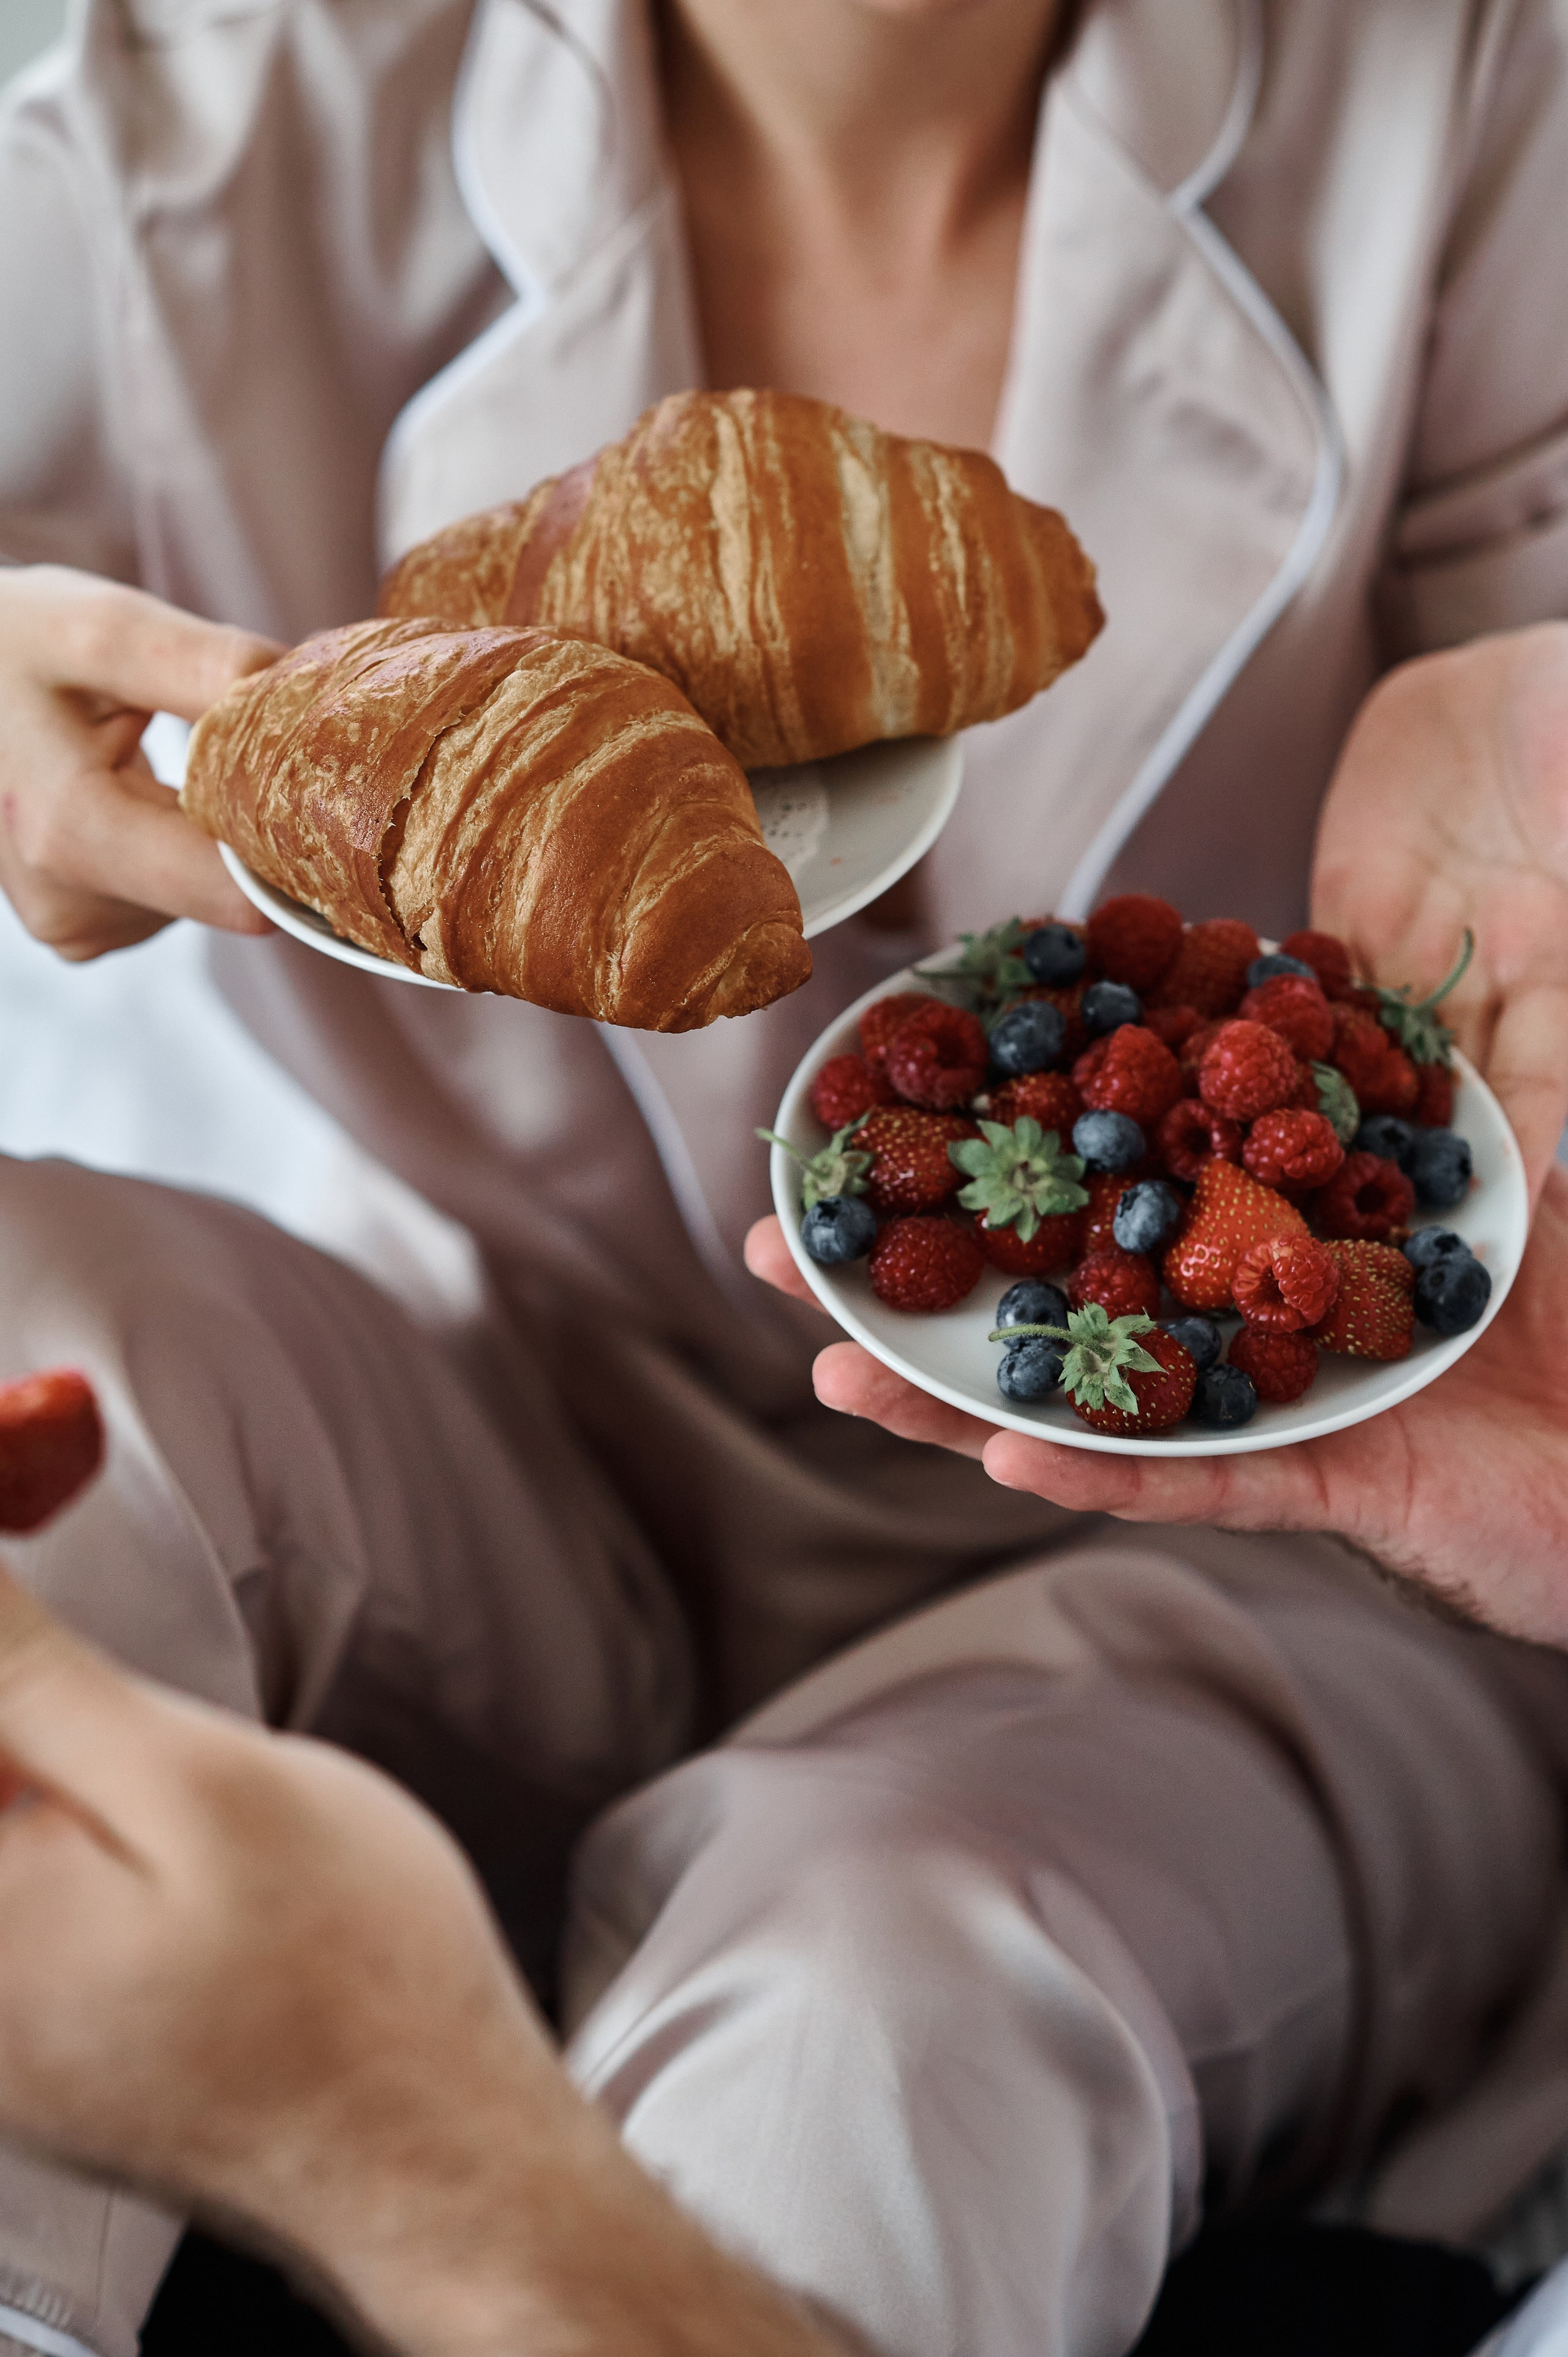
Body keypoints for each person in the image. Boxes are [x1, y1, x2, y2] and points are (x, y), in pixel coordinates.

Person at [1, 0, 1568, 2348]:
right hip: (532, 1440)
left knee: (873, 1981)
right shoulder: (174, 129)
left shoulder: (1491, 102)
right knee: (34, 1336)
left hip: (1284, 1538)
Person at [2, 1176, 1568, 2356]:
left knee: (866, 1995)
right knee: (43, 1297)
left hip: (1371, 1556)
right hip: (570, 1393)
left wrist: (390, 2159)